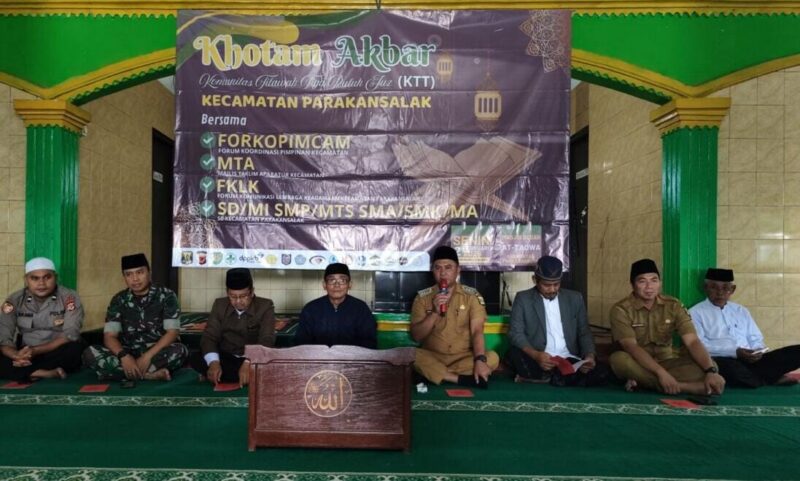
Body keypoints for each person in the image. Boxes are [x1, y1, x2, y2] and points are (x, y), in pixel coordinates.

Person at [609, 258, 725, 396]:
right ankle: (682, 387)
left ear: (660, 283)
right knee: (619, 360)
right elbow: (631, 347)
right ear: (633, 285)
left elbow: (692, 341)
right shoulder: (621, 309)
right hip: (638, 363)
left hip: (668, 363)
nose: (649, 287)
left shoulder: (673, 305)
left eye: (654, 280)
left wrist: (710, 371)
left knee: (711, 365)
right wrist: (662, 374)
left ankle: (644, 382)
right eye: (642, 281)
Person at [83, 253, 188, 381]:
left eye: (140, 272)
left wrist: (147, 357)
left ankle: (124, 373)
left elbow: (172, 333)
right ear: (124, 277)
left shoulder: (167, 295)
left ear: (149, 272)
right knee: (89, 353)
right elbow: (110, 336)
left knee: (180, 350)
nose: (135, 279)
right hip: (127, 352)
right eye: (129, 274)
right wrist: (124, 357)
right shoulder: (118, 300)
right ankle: (148, 374)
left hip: (156, 352)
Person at [690, 268, 800, 388]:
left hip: (751, 361)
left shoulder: (741, 310)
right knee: (733, 370)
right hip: (723, 360)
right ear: (706, 287)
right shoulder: (695, 313)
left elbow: (755, 338)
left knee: (795, 352)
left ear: (733, 289)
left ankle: (760, 377)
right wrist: (735, 352)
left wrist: (757, 352)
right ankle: (768, 378)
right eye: (714, 287)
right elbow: (699, 346)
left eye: (725, 288)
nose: (720, 292)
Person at [507, 255, 608, 386]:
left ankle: (548, 378)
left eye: (556, 284)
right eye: (547, 285)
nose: (552, 289)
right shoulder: (523, 298)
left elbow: (584, 332)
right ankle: (562, 378)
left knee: (603, 372)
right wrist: (536, 355)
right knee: (514, 354)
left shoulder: (575, 298)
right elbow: (515, 333)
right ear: (534, 280)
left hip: (568, 358)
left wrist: (589, 356)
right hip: (538, 357)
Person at [411, 245, 499, 388]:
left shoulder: (472, 296)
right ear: (432, 270)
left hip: (463, 357)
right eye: (438, 268)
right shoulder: (422, 297)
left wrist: (479, 360)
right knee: (411, 355)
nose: (443, 273)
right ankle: (458, 379)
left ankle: (434, 374)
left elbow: (477, 331)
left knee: (492, 357)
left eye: (448, 267)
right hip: (433, 355)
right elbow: (416, 336)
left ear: (458, 270)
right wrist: (434, 313)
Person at [0, 257, 85, 381]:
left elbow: (71, 333)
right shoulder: (15, 300)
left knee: (74, 350)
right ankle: (43, 373)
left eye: (47, 277)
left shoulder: (69, 297)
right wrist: (16, 355)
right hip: (25, 351)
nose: (41, 283)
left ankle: (25, 371)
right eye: (34, 278)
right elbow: (4, 336)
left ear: (55, 277)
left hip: (56, 350)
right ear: (26, 280)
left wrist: (35, 351)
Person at [189, 268, 276, 387]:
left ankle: (226, 376)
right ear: (227, 292)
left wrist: (248, 362)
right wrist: (214, 363)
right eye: (233, 296)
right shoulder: (219, 305)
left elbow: (267, 339)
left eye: (243, 296)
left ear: (252, 292)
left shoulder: (265, 306)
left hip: (253, 358)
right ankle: (244, 376)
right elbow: (209, 337)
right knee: (196, 357)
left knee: (270, 362)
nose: (238, 301)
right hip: (227, 358)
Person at [294, 263, 377, 348]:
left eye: (342, 280)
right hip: (319, 356)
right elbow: (301, 344)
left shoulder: (361, 309)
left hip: (352, 356)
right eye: (331, 280)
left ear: (350, 285)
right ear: (324, 285)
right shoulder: (310, 309)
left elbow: (369, 343)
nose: (337, 285)